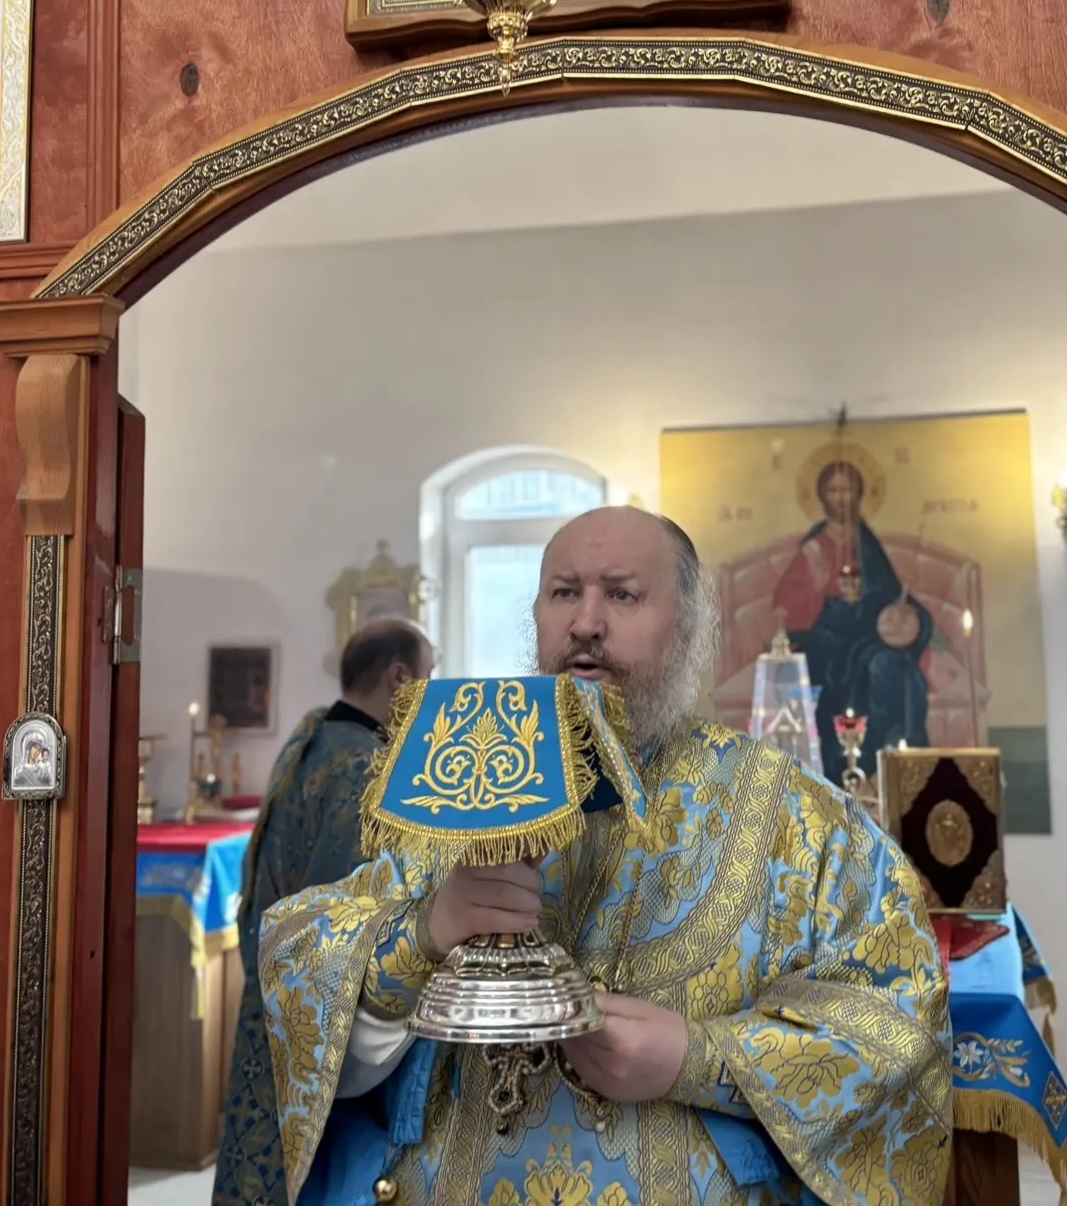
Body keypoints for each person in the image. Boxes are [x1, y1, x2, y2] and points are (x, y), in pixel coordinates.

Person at [259, 507, 950, 1205]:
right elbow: (302, 974)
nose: (586, 622)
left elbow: (896, 1024)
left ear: (687, 629)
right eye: (564, 593)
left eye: (622, 594)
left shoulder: (801, 819)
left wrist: (700, 1058)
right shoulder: (456, 785)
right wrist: (424, 932)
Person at [213, 617, 436, 1206]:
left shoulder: (308, 742)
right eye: (429, 676)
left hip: (269, 991)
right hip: (320, 1015)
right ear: (400, 678)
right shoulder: (368, 770)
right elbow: (352, 917)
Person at [772, 459, 933, 783]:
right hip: (828, 641)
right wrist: (820, 590)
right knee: (877, 668)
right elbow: (785, 604)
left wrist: (910, 620)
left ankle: (895, 758)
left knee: (897, 667)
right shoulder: (815, 545)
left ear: (860, 494)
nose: (841, 497)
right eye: (834, 490)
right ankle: (856, 766)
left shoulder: (866, 542)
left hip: (868, 636)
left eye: (848, 489)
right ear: (822, 496)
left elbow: (889, 593)